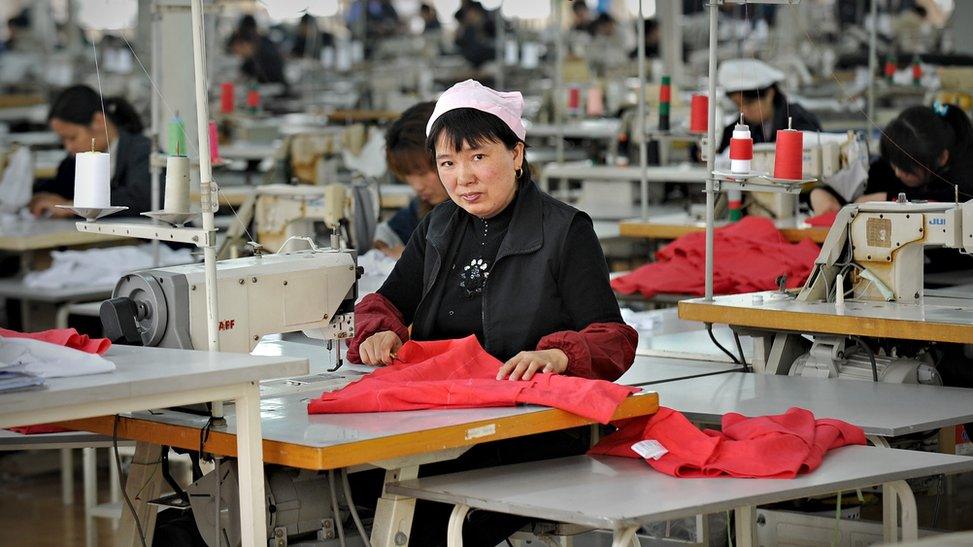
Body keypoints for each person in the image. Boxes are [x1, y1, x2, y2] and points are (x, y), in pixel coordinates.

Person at [349, 79, 637, 547]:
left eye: (478, 157)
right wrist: (380, 330)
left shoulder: (566, 231)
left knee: (426, 526)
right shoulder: (439, 225)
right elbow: (384, 301)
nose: (462, 177)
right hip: (447, 420)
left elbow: (614, 338)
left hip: (534, 432)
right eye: (448, 163)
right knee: (351, 488)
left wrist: (559, 356)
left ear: (516, 154)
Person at [809, 103, 973, 214]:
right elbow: (850, 190)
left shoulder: (964, 181)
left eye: (906, 168)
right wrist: (820, 193)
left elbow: (951, 201)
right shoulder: (889, 167)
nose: (897, 173)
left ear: (942, 158)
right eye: (895, 164)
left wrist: (889, 200)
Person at [30, 85, 152, 218]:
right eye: (63, 140)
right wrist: (40, 196)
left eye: (72, 137)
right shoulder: (73, 162)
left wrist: (72, 207)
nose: (69, 147)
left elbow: (142, 199)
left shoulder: (143, 151)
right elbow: (58, 190)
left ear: (98, 121)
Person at [373, 102, 449, 259]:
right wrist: (380, 243)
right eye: (408, 175)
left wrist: (417, 259)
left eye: (421, 173)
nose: (417, 186)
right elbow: (387, 234)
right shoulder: (424, 207)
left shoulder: (482, 212)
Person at [716, 59, 821, 153]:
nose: (744, 111)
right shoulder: (745, 124)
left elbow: (814, 147)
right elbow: (721, 145)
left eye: (749, 103)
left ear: (770, 94)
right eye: (738, 105)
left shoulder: (799, 118)